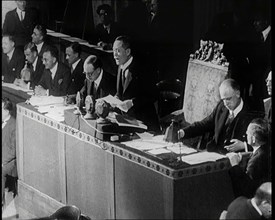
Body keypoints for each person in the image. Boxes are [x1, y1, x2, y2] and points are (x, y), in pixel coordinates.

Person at [177, 79, 263, 153]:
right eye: (223, 99)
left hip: (236, 159)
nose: (226, 103)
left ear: (237, 93)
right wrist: (183, 132)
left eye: (228, 99)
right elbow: (205, 124)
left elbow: (263, 142)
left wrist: (244, 145)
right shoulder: (221, 106)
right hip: (214, 153)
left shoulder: (251, 113)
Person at [113, 35, 160, 132]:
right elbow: (121, 92)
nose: (115, 55)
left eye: (118, 51)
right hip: (127, 122)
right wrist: (116, 98)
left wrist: (132, 102)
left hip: (145, 124)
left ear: (128, 52)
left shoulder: (142, 68)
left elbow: (153, 95)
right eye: (113, 51)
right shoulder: (120, 66)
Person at [226, 118, 270, 198]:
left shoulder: (255, 161)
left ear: (253, 139)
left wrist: (235, 165)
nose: (245, 134)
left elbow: (246, 189)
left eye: (248, 133)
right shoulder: (266, 150)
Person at [2, 98, 17, 207]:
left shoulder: (14, 125)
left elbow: (13, 151)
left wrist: (2, 161)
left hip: (9, 161)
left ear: (6, 111)